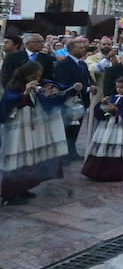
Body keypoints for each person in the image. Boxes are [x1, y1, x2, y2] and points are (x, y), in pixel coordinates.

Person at [0, 62, 69, 204]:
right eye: (33, 76)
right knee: (16, 161)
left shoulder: (41, 84)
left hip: (31, 129)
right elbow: (7, 105)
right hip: (17, 131)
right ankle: (9, 195)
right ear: (24, 75)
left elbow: (58, 92)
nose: (37, 79)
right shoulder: (13, 87)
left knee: (29, 161)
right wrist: (25, 93)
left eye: (38, 76)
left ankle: (22, 189)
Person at [82, 76, 123, 181]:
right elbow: (100, 110)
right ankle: (96, 171)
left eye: (121, 87)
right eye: (117, 87)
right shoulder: (112, 97)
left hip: (120, 129)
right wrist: (103, 104)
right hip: (105, 127)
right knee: (101, 147)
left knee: (116, 149)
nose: (118, 89)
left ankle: (113, 173)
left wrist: (117, 110)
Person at [53, 37, 95, 161]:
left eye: (83, 47)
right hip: (68, 100)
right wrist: (84, 88)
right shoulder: (63, 64)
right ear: (71, 50)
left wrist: (91, 85)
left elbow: (87, 78)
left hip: (81, 100)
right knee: (66, 128)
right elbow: (63, 82)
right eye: (80, 48)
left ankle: (72, 151)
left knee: (76, 127)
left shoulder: (82, 63)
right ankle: (63, 154)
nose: (83, 49)